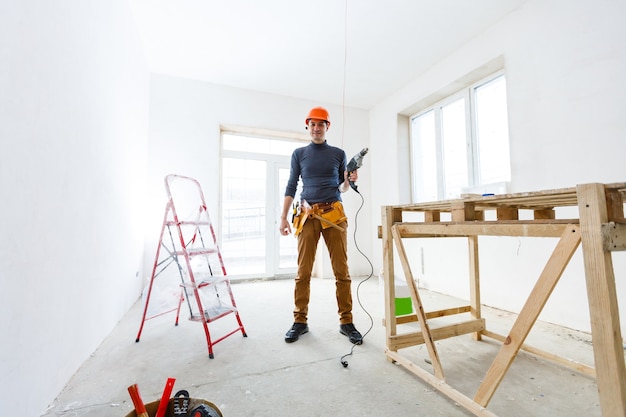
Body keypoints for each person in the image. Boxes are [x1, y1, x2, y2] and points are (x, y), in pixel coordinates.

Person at [279, 106, 363, 345]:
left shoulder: (338, 153)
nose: (316, 128)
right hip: (307, 216)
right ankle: (300, 321)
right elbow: (291, 185)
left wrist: (349, 180)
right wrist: (283, 217)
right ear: (308, 126)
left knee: (341, 272)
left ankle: (346, 322)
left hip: (334, 215)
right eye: (313, 124)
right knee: (303, 272)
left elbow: (342, 187)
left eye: (321, 124)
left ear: (328, 127)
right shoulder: (299, 153)